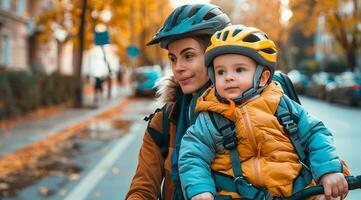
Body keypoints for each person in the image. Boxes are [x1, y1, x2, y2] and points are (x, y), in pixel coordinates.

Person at [178, 25, 350, 200]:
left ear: (263, 77)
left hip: (296, 191)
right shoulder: (211, 117)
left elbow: (315, 133)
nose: (228, 77)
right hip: (237, 193)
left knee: (330, 195)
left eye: (239, 70)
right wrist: (200, 190)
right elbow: (192, 154)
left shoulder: (282, 106)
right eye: (221, 71)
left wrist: (327, 171)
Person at [125, 4, 231, 200]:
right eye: (173, 59)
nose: (177, 68)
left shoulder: (257, 111)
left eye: (188, 56)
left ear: (216, 57)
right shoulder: (164, 121)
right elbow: (142, 190)